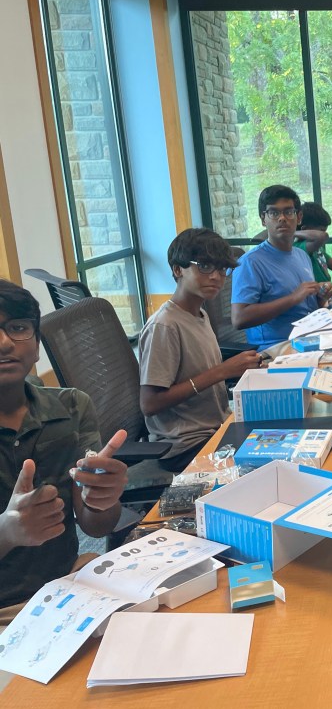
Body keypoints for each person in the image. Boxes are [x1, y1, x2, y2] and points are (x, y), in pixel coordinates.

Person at [0, 280, 129, 612]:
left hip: (65, 586)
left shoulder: (72, 406)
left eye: (18, 328)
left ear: (36, 344)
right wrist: (7, 532)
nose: (4, 343)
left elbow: (95, 525)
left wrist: (102, 500)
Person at [139, 229, 263, 473]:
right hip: (185, 446)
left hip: (217, 429)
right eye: (204, 267)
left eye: (222, 269)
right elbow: (150, 403)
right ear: (178, 270)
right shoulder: (164, 325)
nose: (216, 277)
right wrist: (223, 371)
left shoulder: (199, 314)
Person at [231, 185, 332, 351]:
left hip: (312, 338)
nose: (282, 218)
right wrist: (293, 298)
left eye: (288, 212)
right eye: (273, 213)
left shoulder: (301, 255)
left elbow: (308, 305)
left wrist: (321, 295)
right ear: (263, 219)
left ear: (299, 217)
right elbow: (239, 319)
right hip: (276, 348)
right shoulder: (250, 263)